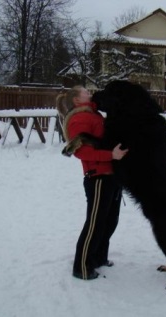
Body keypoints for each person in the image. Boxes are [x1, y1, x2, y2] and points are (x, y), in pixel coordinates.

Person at [57, 86, 128, 280]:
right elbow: (81, 152)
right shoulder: (79, 118)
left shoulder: (95, 115)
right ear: (77, 101)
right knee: (95, 223)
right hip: (97, 177)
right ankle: (81, 267)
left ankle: (97, 258)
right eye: (85, 92)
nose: (90, 92)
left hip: (111, 176)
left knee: (109, 221)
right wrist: (110, 155)